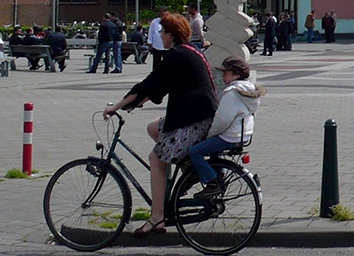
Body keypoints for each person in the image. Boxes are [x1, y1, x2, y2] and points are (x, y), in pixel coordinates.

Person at [102, 12, 217, 237]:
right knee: (153, 128)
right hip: (199, 115)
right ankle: (188, 169)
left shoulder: (176, 55)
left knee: (156, 158)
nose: (160, 36)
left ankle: (157, 218)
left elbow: (150, 82)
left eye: (162, 32)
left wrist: (116, 106)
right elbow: (162, 84)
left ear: (171, 35)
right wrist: (138, 101)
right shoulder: (190, 50)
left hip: (194, 120)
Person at [186, 56, 264, 199]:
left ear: (236, 75)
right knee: (214, 150)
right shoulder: (249, 91)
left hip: (230, 136)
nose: (222, 76)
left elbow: (222, 121)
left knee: (195, 151)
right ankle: (219, 175)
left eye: (226, 73)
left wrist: (209, 135)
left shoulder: (232, 93)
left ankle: (212, 183)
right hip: (243, 134)